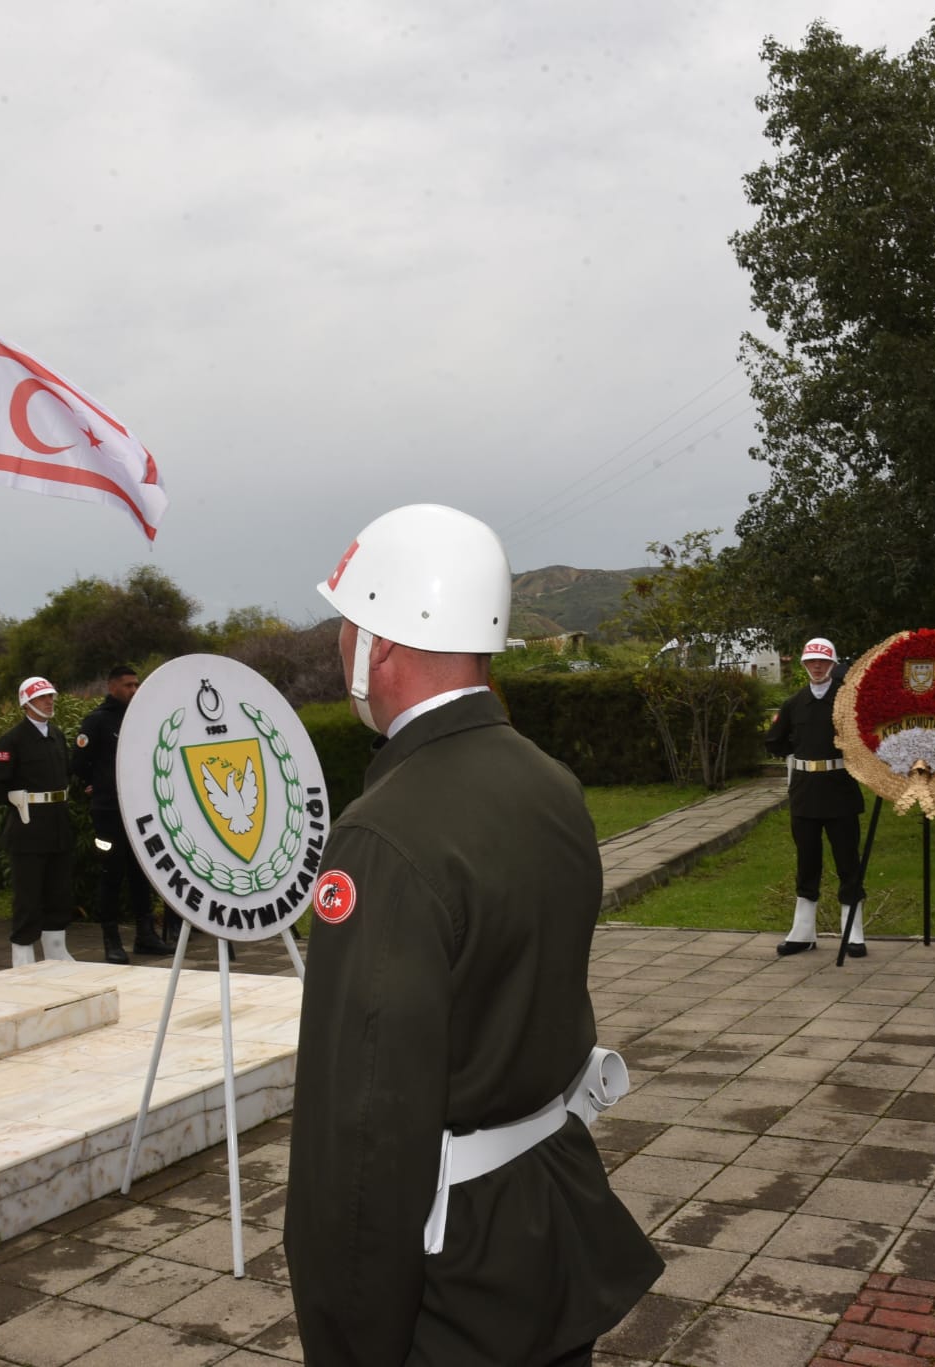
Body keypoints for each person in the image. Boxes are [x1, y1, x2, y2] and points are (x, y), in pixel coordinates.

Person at [285, 503, 661, 1367]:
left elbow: (364, 1129)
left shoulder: (383, 835)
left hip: (452, 1280)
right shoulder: (548, 781)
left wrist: (347, 1338)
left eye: (348, 623)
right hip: (547, 1225)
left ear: (379, 643)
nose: (342, 643)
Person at [765, 638, 869, 957]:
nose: (818, 666)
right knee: (807, 861)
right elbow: (774, 741)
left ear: (833, 664)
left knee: (847, 862)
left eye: (823, 661)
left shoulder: (847, 701)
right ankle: (803, 932)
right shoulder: (794, 703)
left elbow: (866, 737)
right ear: (804, 665)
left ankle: (853, 932)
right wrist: (800, 746)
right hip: (805, 793)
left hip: (839, 791)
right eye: (812, 662)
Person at [72, 664, 174, 963]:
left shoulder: (141, 718)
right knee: (111, 874)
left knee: (142, 873)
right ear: (112, 686)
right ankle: (111, 940)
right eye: (128, 685)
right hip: (108, 813)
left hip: (140, 811)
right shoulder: (97, 721)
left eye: (136, 684)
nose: (133, 690)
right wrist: (97, 783)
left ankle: (146, 936)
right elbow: (79, 763)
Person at [0, 676, 78, 967]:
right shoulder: (13, 740)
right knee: (29, 896)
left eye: (50, 697)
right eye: (41, 698)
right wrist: (14, 797)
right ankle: (23, 956)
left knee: (59, 892)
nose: (48, 702)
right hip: (29, 829)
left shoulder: (56, 735)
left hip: (58, 825)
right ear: (26, 703)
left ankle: (56, 950)